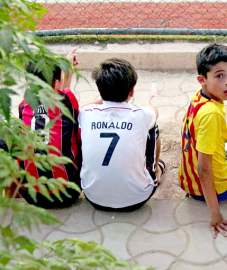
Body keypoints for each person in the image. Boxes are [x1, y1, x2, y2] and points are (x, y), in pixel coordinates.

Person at [179, 44, 227, 238]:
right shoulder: (211, 114)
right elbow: (204, 168)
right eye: (220, 76)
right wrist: (215, 214)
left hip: (190, 184)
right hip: (220, 189)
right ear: (202, 80)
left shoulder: (198, 98)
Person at [79, 58, 165, 212]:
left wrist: (104, 95)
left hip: (93, 197)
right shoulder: (141, 114)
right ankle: (156, 169)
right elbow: (154, 109)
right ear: (131, 91)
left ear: (99, 90)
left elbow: (84, 107)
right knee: (152, 126)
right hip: (137, 199)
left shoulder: (87, 113)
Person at [18, 49, 82, 208]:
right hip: (67, 194)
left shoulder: (24, 105)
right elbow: (64, 95)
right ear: (56, 81)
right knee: (78, 135)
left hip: (31, 195)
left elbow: (61, 93)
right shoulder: (68, 100)